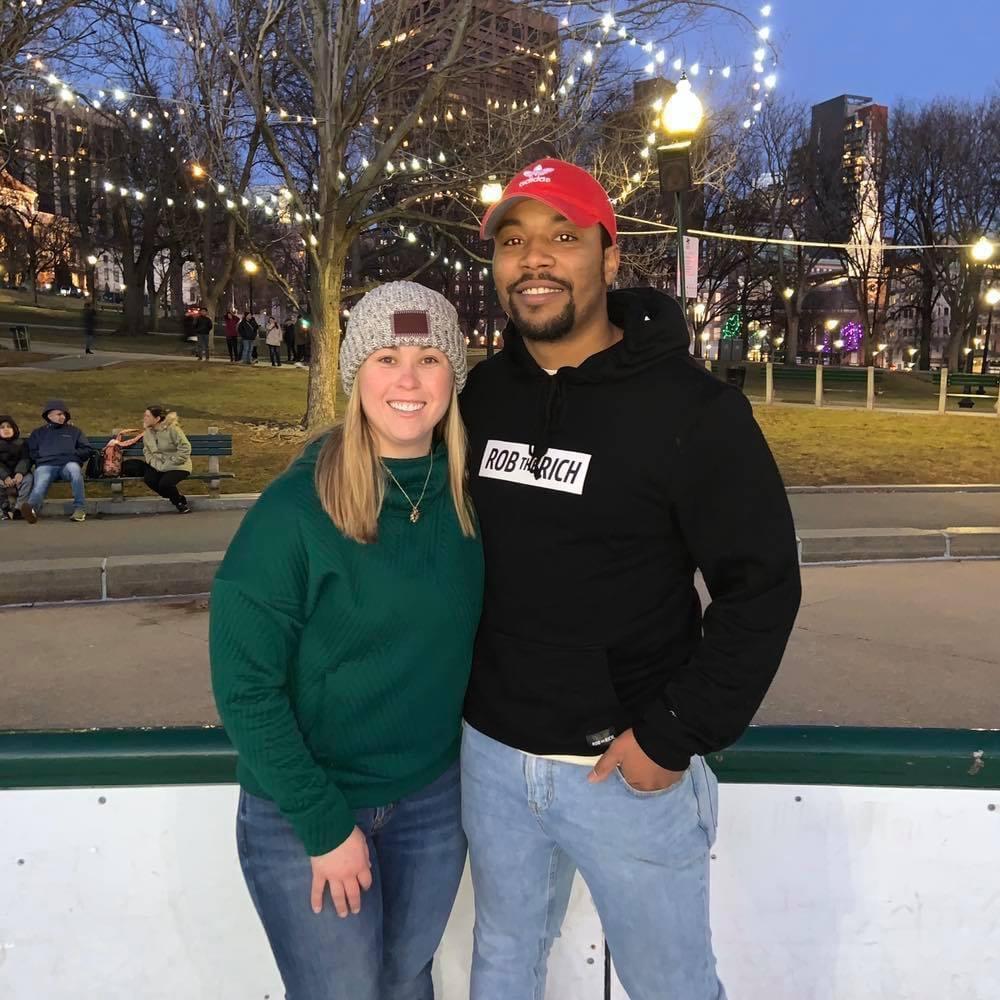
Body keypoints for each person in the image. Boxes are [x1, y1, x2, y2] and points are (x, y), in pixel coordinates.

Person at [459, 159, 802, 1000]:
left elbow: (762, 585)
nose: (534, 260)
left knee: (672, 987)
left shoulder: (693, 410)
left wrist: (674, 733)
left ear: (609, 258)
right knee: (502, 964)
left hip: (623, 771)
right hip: (491, 759)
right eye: (512, 241)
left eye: (562, 237)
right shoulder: (482, 396)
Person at [210, 281, 483, 1000]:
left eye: (429, 359)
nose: (407, 380)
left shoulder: (469, 497)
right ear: (355, 374)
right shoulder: (294, 511)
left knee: (407, 982)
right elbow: (245, 687)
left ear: (453, 376)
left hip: (430, 798)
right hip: (308, 804)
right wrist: (324, 826)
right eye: (386, 358)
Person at [23, 399, 93, 524]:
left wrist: (73, 454)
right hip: (46, 464)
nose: (63, 417)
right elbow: (32, 451)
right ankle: (31, 509)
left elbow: (86, 449)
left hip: (68, 463)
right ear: (49, 415)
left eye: (64, 414)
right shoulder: (38, 433)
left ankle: (80, 509)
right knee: (42, 480)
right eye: (59, 414)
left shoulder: (74, 431)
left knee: (75, 471)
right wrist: (42, 457)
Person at [120, 406, 192, 514]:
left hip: (178, 465)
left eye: (148, 416)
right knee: (150, 480)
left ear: (157, 419)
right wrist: (153, 463)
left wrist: (173, 461)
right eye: (145, 415)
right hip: (157, 465)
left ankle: (179, 503)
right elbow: (147, 451)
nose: (144, 418)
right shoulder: (147, 433)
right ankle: (176, 497)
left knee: (165, 484)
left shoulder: (173, 430)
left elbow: (185, 448)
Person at [0, 415, 32, 520]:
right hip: (3, 475)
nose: (6, 429)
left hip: (18, 474)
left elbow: (25, 459)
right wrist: (5, 477)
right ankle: (4, 508)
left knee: (28, 479)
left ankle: (19, 508)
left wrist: (20, 473)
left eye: (9, 427)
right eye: (2, 427)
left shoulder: (22, 443)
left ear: (14, 429)